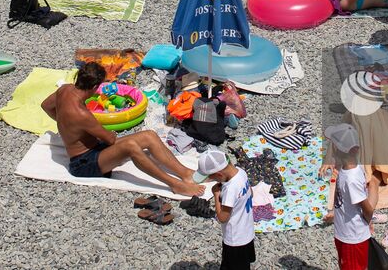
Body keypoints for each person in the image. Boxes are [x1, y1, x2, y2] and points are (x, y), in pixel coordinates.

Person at [40, 62, 203, 199]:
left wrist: (64, 125)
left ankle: (185, 173)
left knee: (149, 135)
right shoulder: (82, 115)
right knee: (131, 147)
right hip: (84, 163)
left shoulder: (64, 90)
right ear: (96, 86)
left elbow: (46, 106)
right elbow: (110, 140)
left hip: (94, 149)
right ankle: (175, 185)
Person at [324, 124, 377, 270]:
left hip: (353, 238)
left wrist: (368, 223)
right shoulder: (348, 168)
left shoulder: (351, 179)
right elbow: (341, 194)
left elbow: (367, 209)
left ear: (338, 149)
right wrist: (335, 211)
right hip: (344, 232)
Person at [197, 148, 254, 270]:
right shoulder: (241, 172)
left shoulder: (229, 189)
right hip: (247, 232)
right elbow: (251, 193)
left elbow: (223, 217)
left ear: (219, 174)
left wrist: (217, 195)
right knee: (244, 264)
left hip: (234, 239)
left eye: (213, 178)